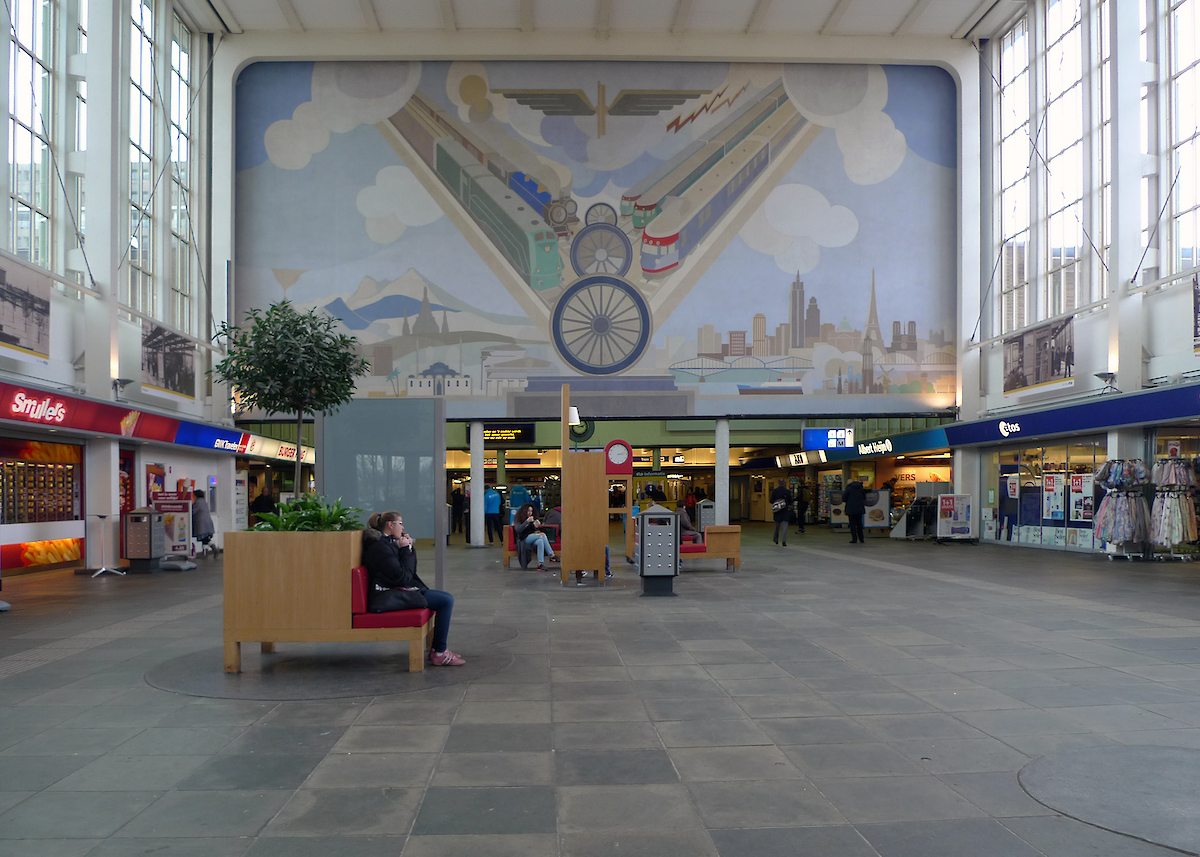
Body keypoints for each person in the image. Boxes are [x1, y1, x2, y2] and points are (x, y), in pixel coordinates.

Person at [363, 511, 464, 666]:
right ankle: (439, 652)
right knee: (445, 600)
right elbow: (403, 577)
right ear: (391, 525)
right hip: (386, 596)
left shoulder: (386, 544)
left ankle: (439, 649)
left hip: (396, 589)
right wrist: (406, 550)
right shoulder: (380, 548)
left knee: (444, 598)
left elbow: (407, 572)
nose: (403, 527)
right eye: (400, 523)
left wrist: (407, 549)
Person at [514, 502, 556, 570]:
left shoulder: (531, 519)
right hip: (523, 539)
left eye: (531, 511)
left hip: (530, 537)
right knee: (542, 536)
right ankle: (552, 555)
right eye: (528, 511)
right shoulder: (519, 519)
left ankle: (540, 564)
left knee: (540, 541)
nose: (530, 513)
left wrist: (536, 526)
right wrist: (527, 522)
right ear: (524, 511)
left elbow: (532, 531)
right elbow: (518, 530)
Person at [192, 489, 215, 556]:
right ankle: (205, 552)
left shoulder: (198, 502)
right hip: (207, 522)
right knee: (205, 538)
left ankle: (212, 548)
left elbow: (193, 511)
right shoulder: (204, 502)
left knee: (204, 538)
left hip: (201, 523)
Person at [770, 478, 793, 546]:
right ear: (784, 484)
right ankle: (784, 541)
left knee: (777, 527)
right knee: (785, 527)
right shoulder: (787, 491)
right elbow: (790, 502)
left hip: (777, 512)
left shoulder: (775, 491)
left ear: (778, 484)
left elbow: (771, 501)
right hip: (785, 511)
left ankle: (776, 539)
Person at [844, 478, 867, 544]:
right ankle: (861, 539)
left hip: (851, 509)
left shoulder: (848, 489)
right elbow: (864, 497)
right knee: (859, 524)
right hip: (860, 508)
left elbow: (844, 498)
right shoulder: (860, 488)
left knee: (852, 525)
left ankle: (854, 539)